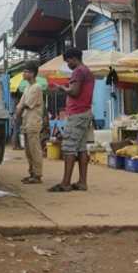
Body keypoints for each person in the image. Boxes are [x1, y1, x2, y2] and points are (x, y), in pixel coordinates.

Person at [50, 47, 94, 193]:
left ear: (74, 58)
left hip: (77, 114)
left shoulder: (78, 71)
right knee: (81, 148)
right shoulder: (87, 71)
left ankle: (66, 183)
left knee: (69, 147)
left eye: (68, 61)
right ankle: (82, 182)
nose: (68, 64)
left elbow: (74, 92)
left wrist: (62, 88)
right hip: (85, 112)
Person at [14, 62, 45, 184]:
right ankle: (32, 172)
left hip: (33, 122)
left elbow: (26, 104)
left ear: (32, 74)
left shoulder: (36, 87)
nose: (24, 73)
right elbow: (20, 105)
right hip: (26, 122)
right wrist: (17, 112)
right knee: (28, 150)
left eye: (26, 71)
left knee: (34, 149)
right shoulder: (27, 88)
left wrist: (18, 112)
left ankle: (37, 174)